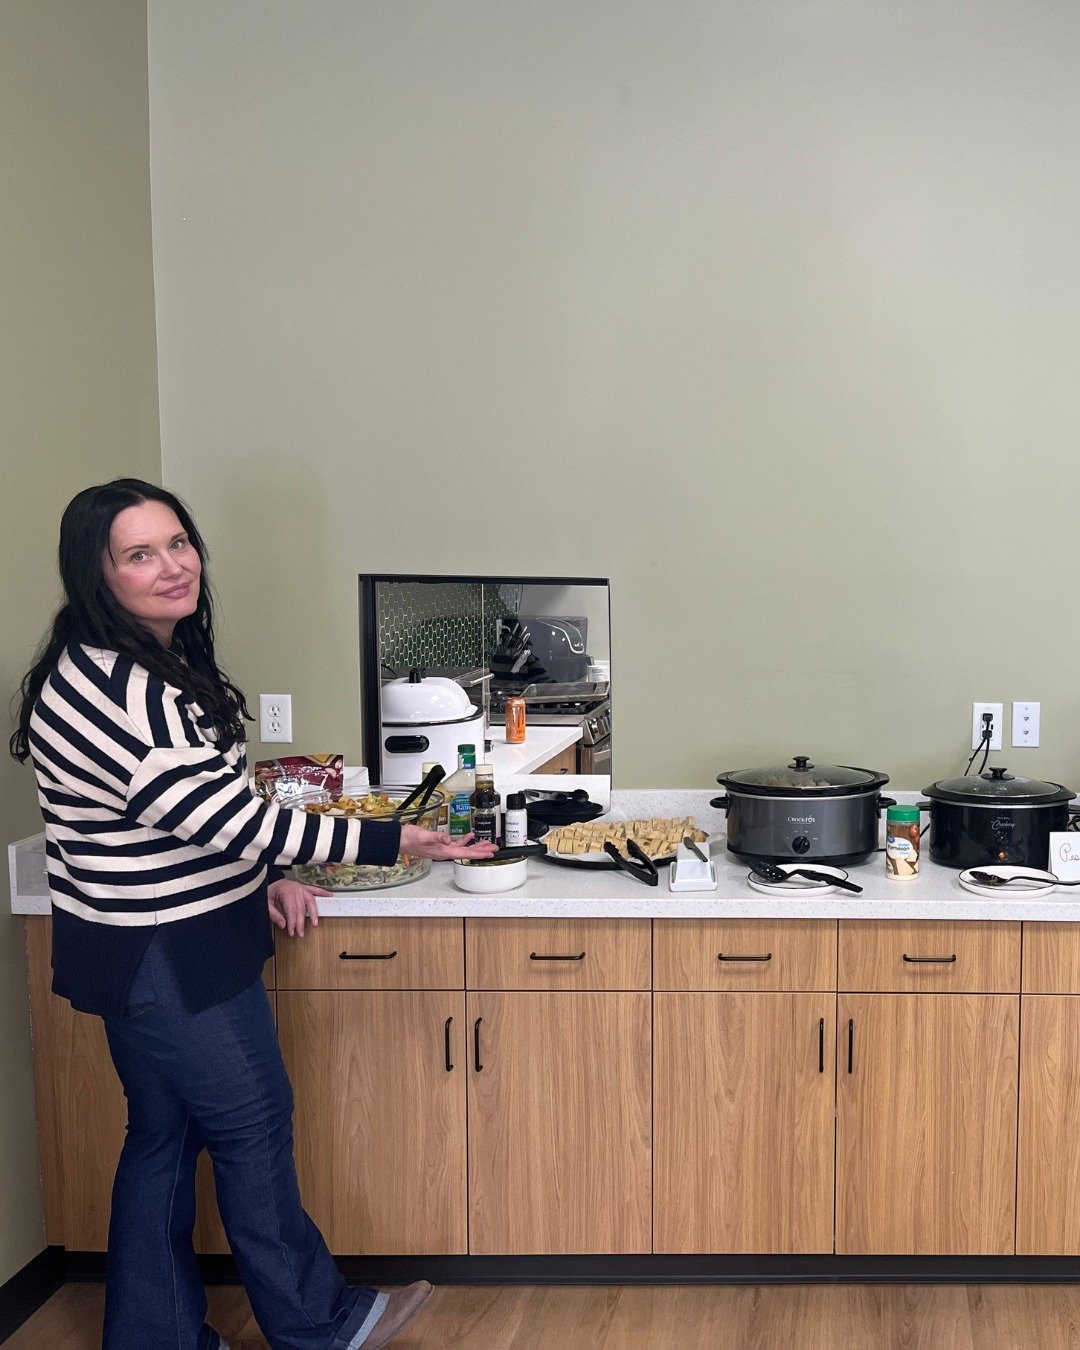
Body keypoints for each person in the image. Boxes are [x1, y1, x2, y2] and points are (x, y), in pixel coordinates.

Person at [10, 478, 497, 1349]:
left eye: (178, 542)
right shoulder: (124, 689)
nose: (173, 566)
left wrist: (267, 869)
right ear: (98, 576)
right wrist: (398, 843)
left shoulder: (122, 665)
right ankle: (321, 1327)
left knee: (164, 1135)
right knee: (253, 1129)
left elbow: (198, 808)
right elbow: (226, 816)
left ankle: (154, 1338)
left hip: (136, 946)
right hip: (169, 952)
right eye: (139, 554)